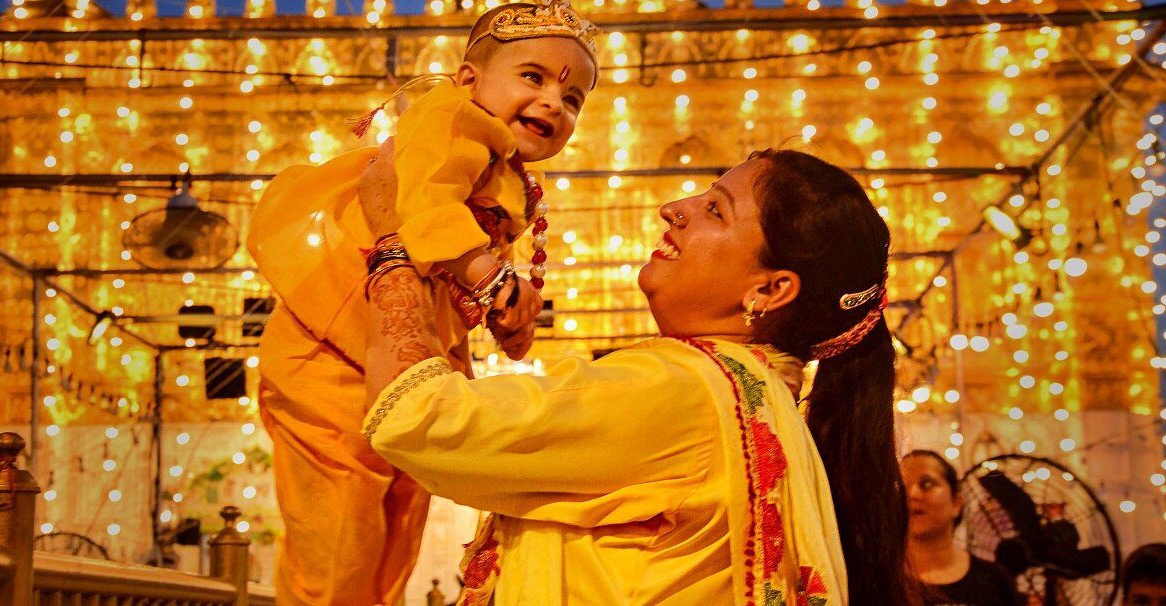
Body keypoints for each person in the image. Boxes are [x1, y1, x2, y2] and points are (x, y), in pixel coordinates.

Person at [358, 146, 920, 605]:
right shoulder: (751, 399)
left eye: (716, 210)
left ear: (769, 290)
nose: (675, 206)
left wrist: (391, 244)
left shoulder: (681, 389)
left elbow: (415, 416)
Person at [247, 0, 600, 606]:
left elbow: (454, 269)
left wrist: (504, 313)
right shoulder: (446, 118)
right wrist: (489, 276)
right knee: (337, 546)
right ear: (469, 82)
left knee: (396, 533)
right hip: (329, 359)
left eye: (573, 97)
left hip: (406, 365)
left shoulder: (506, 173)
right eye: (534, 77)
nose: (554, 102)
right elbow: (424, 202)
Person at [903, 450, 1019, 606]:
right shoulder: (874, 579)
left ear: (956, 503)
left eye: (926, 484)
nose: (912, 494)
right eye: (902, 485)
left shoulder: (995, 580)